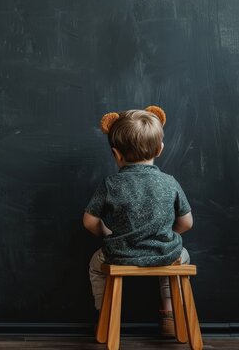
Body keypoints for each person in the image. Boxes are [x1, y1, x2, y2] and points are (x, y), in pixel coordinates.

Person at [83, 106, 193, 336]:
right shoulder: (170, 182)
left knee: (96, 265)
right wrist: (165, 236)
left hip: (120, 254)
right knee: (179, 259)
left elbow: (89, 221)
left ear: (116, 154)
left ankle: (105, 313)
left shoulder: (110, 184)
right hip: (165, 252)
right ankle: (171, 313)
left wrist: (107, 233)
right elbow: (187, 223)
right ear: (160, 149)